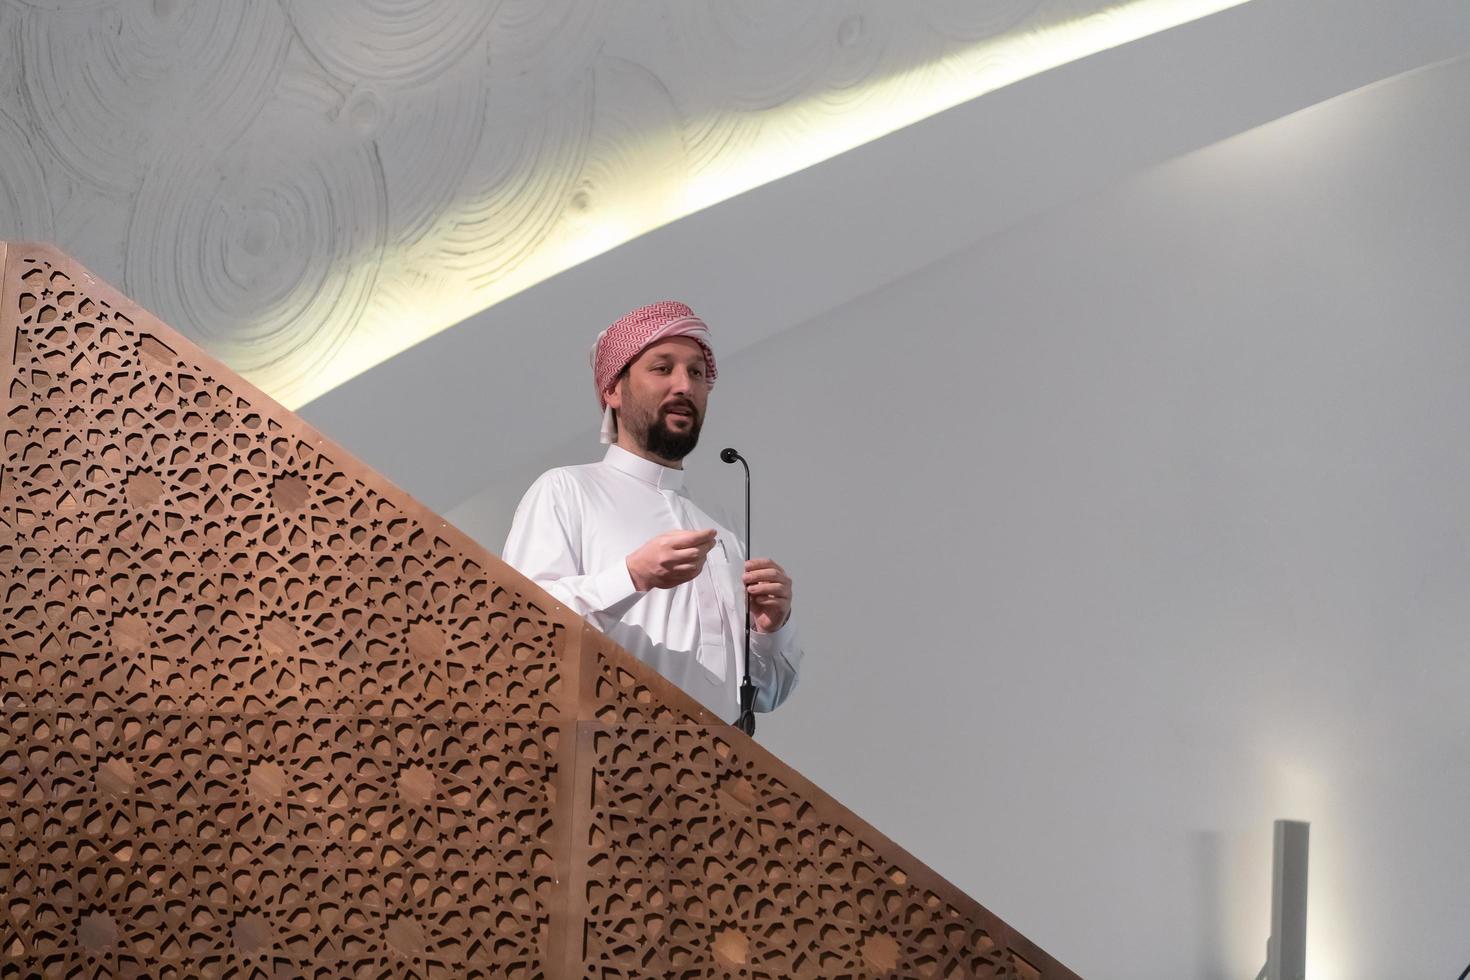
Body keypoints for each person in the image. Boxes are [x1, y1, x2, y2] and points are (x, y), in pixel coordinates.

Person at [502, 300, 802, 724]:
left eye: (696, 372)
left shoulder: (724, 538)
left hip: (720, 781)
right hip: (604, 765)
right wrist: (632, 576)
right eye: (663, 369)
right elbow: (521, 627)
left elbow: (767, 696)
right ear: (613, 390)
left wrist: (773, 629)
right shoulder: (567, 491)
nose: (685, 386)